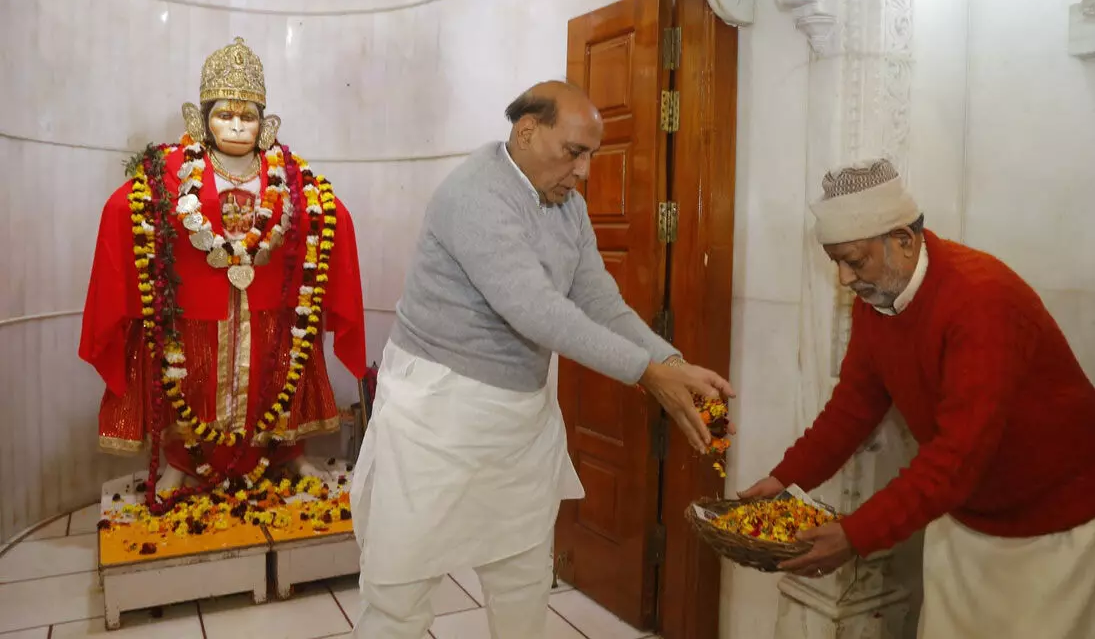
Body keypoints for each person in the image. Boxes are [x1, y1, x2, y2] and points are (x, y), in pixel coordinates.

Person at [350, 81, 736, 639]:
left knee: (523, 584)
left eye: (591, 157)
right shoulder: (474, 194)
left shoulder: (568, 207)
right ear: (527, 132)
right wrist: (647, 374)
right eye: (573, 152)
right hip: (436, 416)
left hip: (519, 423)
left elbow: (598, 301)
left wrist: (669, 361)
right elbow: (536, 311)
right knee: (400, 592)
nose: (583, 172)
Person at [738, 158, 1095, 639]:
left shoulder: (980, 299)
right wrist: (785, 477)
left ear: (904, 241)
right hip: (970, 519)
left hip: (1059, 524)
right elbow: (853, 407)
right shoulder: (877, 298)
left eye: (854, 261)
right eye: (836, 263)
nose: (844, 279)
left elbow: (958, 455)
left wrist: (855, 535)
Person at [80, 37, 365, 492]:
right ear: (200, 120)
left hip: (272, 310)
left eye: (247, 116)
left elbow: (330, 212)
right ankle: (183, 461)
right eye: (224, 115)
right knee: (188, 385)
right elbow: (127, 205)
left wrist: (322, 217)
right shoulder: (177, 169)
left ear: (266, 123)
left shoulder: (289, 174)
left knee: (278, 382)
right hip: (196, 314)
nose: (236, 126)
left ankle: (287, 456)